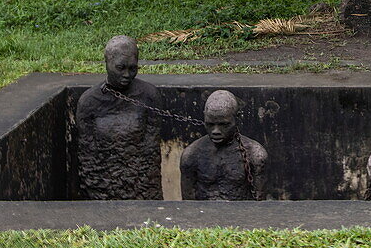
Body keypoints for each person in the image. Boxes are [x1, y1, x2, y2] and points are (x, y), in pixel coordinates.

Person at [75, 35, 163, 199]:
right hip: (103, 182)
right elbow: (88, 156)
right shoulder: (88, 102)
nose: (127, 74)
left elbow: (151, 150)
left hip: (141, 182)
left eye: (133, 68)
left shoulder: (150, 96)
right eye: (120, 68)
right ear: (107, 63)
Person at [180, 90, 267, 200]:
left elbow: (259, 200)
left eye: (224, 125)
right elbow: (187, 200)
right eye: (210, 124)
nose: (215, 131)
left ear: (237, 118)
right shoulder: (191, 154)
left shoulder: (255, 154)